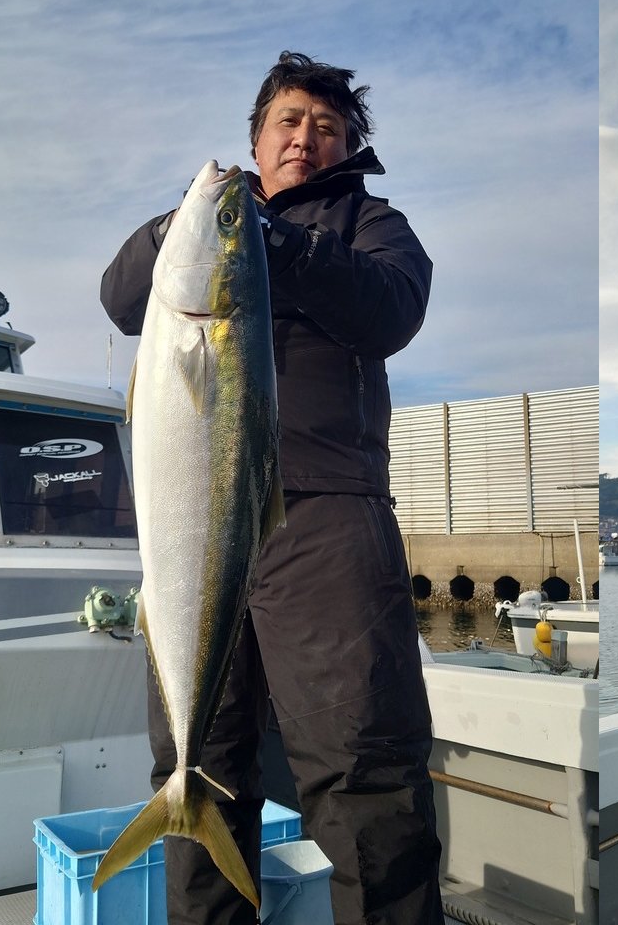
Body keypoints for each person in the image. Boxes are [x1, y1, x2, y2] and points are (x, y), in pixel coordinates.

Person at [101, 51, 443, 925]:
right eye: (289, 121)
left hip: (327, 517)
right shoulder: (206, 221)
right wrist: (195, 219)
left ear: (348, 148)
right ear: (256, 138)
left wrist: (279, 241)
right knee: (196, 760)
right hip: (196, 527)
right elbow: (122, 295)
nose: (306, 137)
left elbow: (391, 308)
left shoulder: (372, 223)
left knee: (366, 777)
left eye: (328, 127)